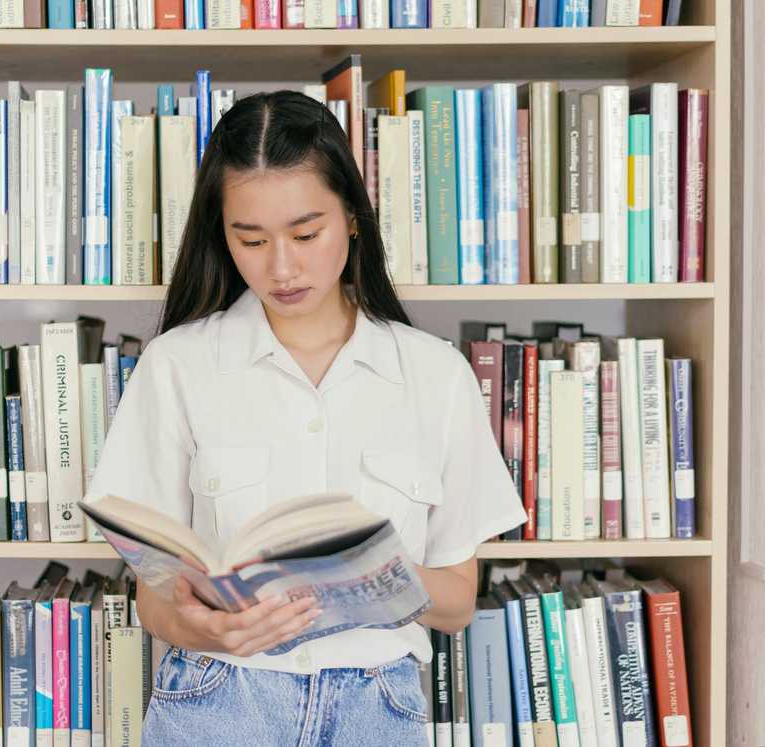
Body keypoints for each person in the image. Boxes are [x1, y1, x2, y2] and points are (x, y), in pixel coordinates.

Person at [83, 90, 527, 745]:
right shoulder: (177, 365)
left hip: (377, 704)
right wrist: (200, 626)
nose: (282, 267)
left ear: (351, 216)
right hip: (220, 695)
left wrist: (385, 575)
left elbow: (459, 602)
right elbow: (155, 597)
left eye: (306, 232)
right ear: (222, 234)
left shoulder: (435, 375)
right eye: (251, 239)